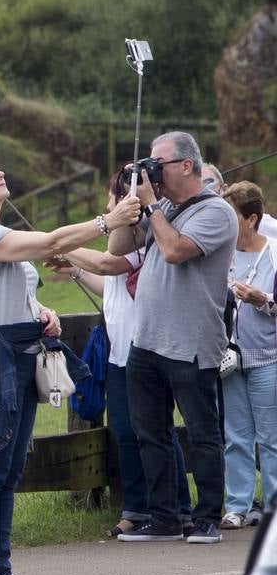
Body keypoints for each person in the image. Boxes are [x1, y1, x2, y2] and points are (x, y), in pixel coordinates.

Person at [0, 147, 139, 575]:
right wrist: (109, 221)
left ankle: (2, 570)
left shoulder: (0, 233)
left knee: (10, 470)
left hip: (23, 349)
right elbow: (50, 243)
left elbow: (19, 289)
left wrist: (43, 312)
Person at [47, 166, 193, 538]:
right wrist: (75, 271)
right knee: (125, 432)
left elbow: (108, 261)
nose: (109, 204)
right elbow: (108, 282)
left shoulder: (144, 241)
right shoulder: (130, 241)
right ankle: (137, 506)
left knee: (156, 431)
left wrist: (61, 245)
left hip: (145, 349)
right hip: (118, 353)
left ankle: (178, 506)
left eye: (114, 198)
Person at [109, 132, 237, 545]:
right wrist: (128, 206)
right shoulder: (160, 206)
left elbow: (175, 251)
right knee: (151, 433)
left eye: (157, 163)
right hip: (146, 339)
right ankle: (164, 517)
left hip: (192, 341)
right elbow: (116, 250)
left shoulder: (216, 212)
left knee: (202, 434)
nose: (151, 170)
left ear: (186, 165)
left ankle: (207, 519)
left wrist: (149, 205)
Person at [219, 182, 277, 529]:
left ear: (252, 219)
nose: (224, 221)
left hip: (267, 356)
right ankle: (237, 506)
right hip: (228, 359)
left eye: (232, 215)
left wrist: (263, 300)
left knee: (269, 437)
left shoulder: (274, 254)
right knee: (235, 436)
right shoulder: (221, 253)